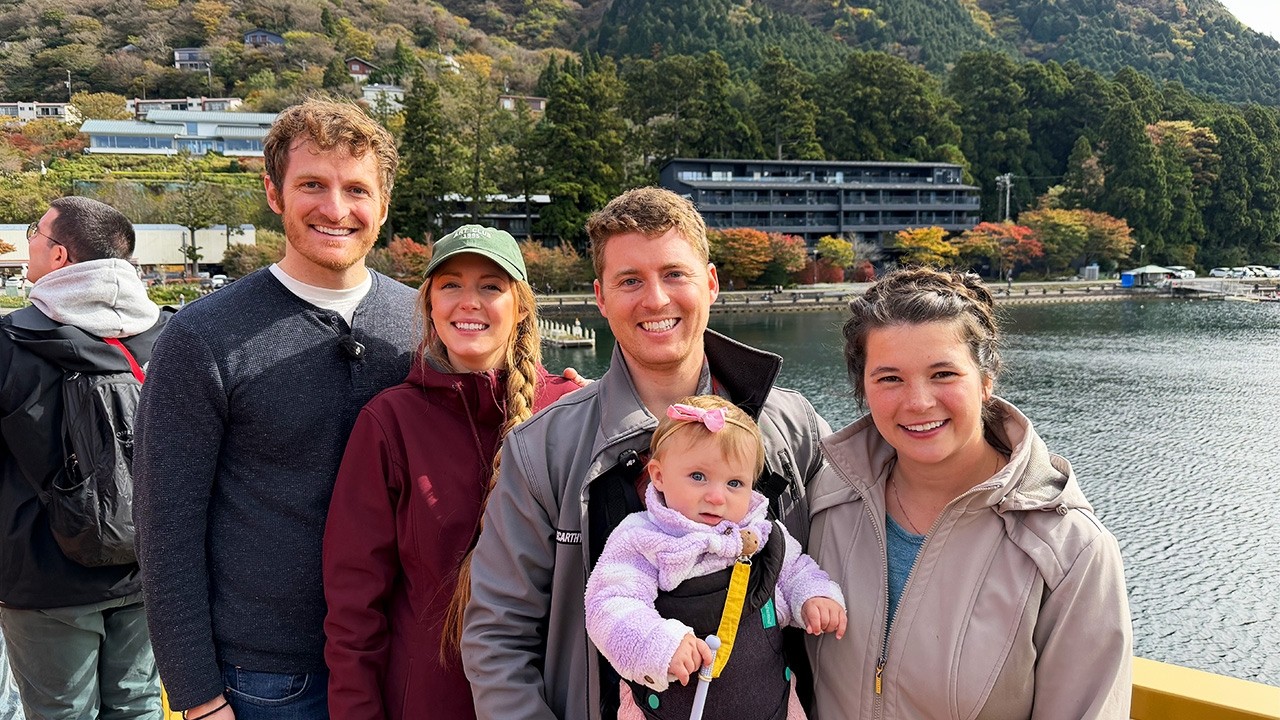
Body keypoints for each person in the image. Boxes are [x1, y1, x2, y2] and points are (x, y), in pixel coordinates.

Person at [462, 187, 831, 720]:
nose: (655, 299)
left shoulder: (789, 426)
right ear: (600, 297)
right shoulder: (545, 449)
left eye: (674, 274)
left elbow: (876, 511)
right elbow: (498, 634)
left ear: (711, 283)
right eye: (630, 280)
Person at [133, 99, 419, 720]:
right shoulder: (202, 336)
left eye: (357, 189)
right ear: (273, 192)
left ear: (384, 205)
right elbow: (165, 525)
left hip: (400, 656)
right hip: (264, 674)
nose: (336, 209)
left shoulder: (421, 321)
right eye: (312, 184)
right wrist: (199, 697)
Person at [806, 268, 1132, 719]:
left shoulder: (1069, 550)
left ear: (985, 379)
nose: (918, 402)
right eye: (889, 379)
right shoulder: (828, 499)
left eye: (943, 373)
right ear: (863, 387)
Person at [322, 225, 576, 720]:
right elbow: (354, 603)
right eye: (451, 284)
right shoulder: (389, 422)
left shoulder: (568, 411)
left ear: (521, 305)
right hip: (426, 702)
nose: (469, 301)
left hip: (553, 701)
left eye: (490, 285)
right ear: (429, 305)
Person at [0, 196, 167, 719]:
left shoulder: (11, 340)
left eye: (36, 232)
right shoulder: (168, 336)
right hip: (150, 565)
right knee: (138, 705)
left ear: (60, 256)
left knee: (59, 712)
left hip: (42, 574)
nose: (29, 241)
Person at [585, 396, 845, 720]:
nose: (717, 496)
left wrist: (813, 597)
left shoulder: (762, 534)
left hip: (772, 706)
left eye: (735, 483)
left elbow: (796, 571)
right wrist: (658, 644)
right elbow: (609, 604)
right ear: (659, 475)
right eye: (698, 476)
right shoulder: (642, 539)